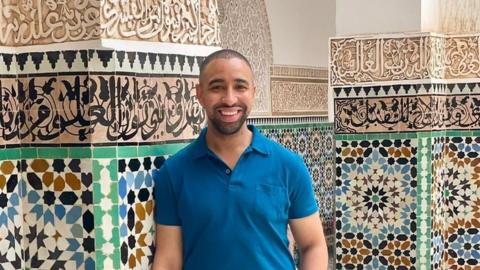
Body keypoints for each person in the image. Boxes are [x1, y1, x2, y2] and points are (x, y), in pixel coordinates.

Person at [153, 49, 328, 270]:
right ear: (199, 94)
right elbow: (168, 260)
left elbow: (313, 245)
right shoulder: (174, 173)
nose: (229, 98)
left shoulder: (289, 166)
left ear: (253, 92)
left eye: (240, 86)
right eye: (217, 87)